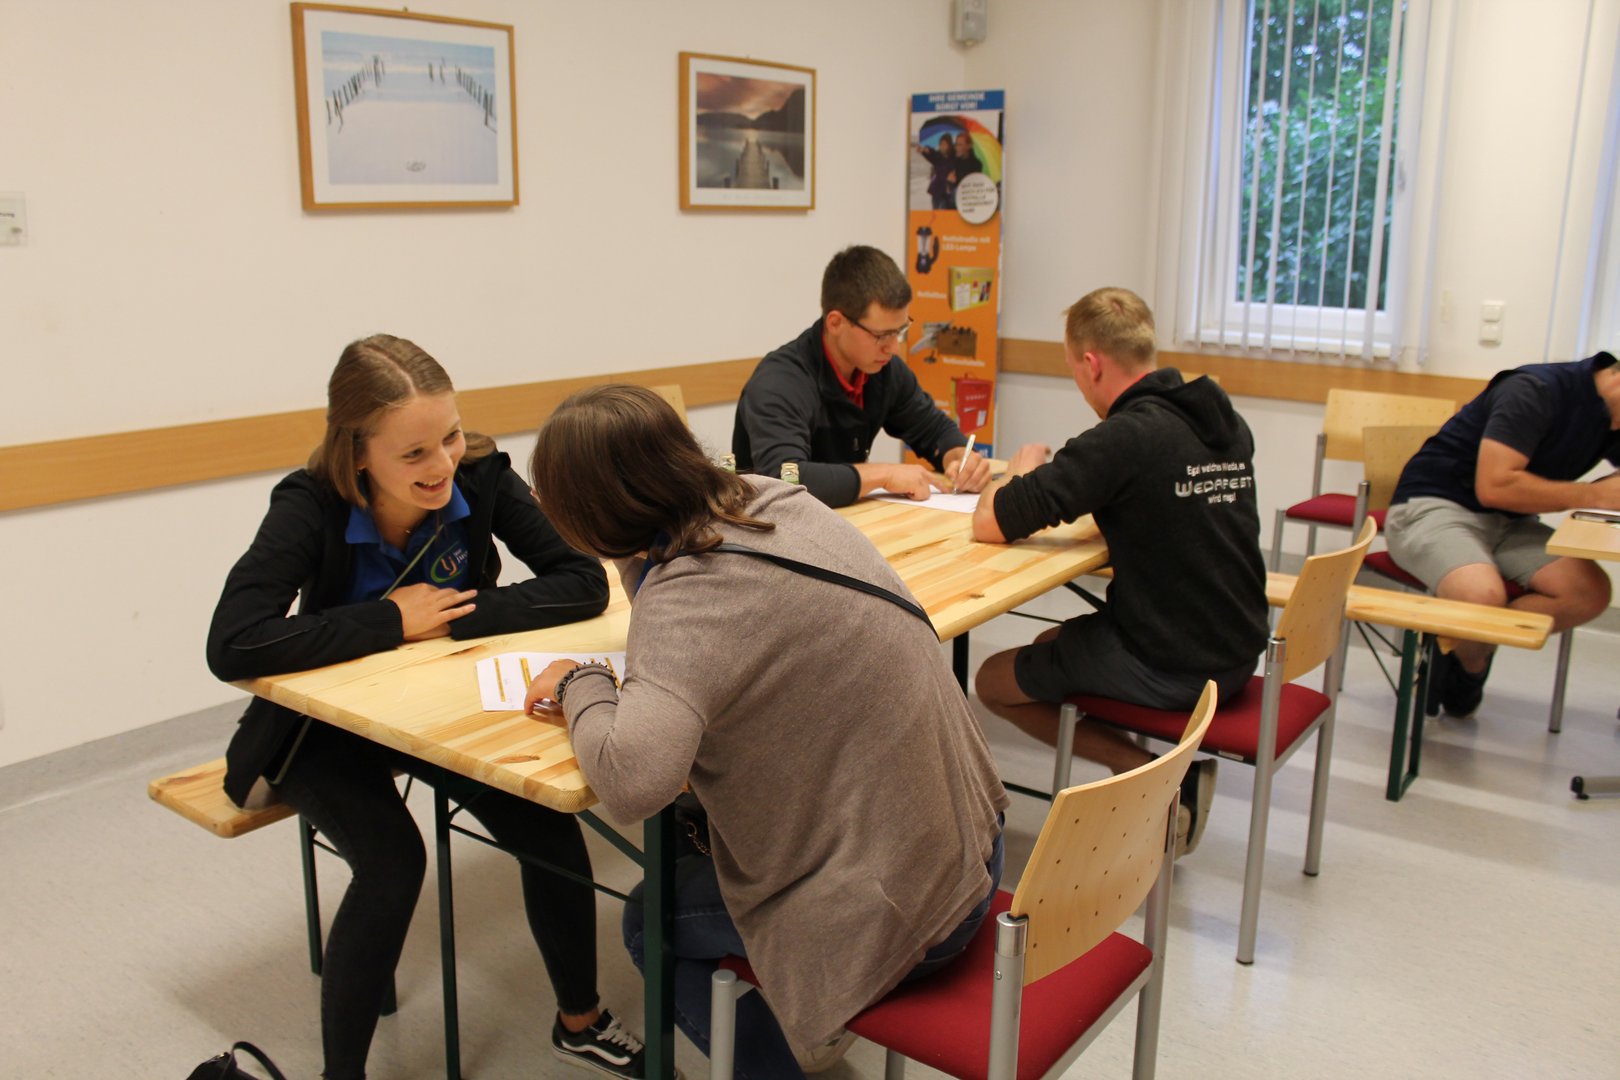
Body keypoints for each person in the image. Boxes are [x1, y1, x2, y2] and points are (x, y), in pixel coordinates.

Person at [524, 384, 1009, 1078]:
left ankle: (792, 1040)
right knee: (699, 841)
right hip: (974, 848)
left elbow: (633, 784)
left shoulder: (687, 599)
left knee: (647, 921)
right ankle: (802, 1008)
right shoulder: (772, 502)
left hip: (914, 913)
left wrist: (582, 682)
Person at [206, 335, 650, 1080]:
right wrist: (388, 620)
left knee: (549, 826)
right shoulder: (308, 503)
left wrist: (451, 616)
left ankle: (579, 1022)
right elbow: (234, 643)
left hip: (439, 709)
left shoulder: (480, 472)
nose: (442, 463)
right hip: (326, 727)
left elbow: (581, 579)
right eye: (414, 453)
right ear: (357, 454)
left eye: (449, 435)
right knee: (393, 864)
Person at [971, 287, 1268, 855]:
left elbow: (991, 521)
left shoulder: (1124, 438)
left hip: (1176, 664)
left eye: (1072, 369)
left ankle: (1151, 776)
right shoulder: (1221, 419)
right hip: (1236, 648)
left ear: (1091, 363)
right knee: (1051, 643)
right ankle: (1154, 775)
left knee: (992, 680)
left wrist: (1017, 471)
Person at [1386, 351, 1620, 717]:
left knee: (1589, 593)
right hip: (1434, 505)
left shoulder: (1612, 415)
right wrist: (1592, 495)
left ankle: (1455, 637)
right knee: (1482, 598)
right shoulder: (1533, 390)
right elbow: (1494, 487)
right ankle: (1471, 660)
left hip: (1511, 523)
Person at [731, 244, 995, 507]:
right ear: (836, 322)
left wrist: (957, 456)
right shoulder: (779, 382)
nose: (893, 347)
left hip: (846, 519)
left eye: (900, 330)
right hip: (772, 525)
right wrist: (884, 474)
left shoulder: (882, 369)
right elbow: (784, 479)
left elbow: (933, 428)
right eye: (881, 335)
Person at [916, 133, 958, 209]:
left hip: (949, 191)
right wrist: (924, 150)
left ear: (949, 145)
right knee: (936, 211)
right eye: (940, 144)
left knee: (946, 211)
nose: (941, 146)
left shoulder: (954, 156)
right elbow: (930, 153)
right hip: (937, 190)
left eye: (944, 144)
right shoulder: (937, 155)